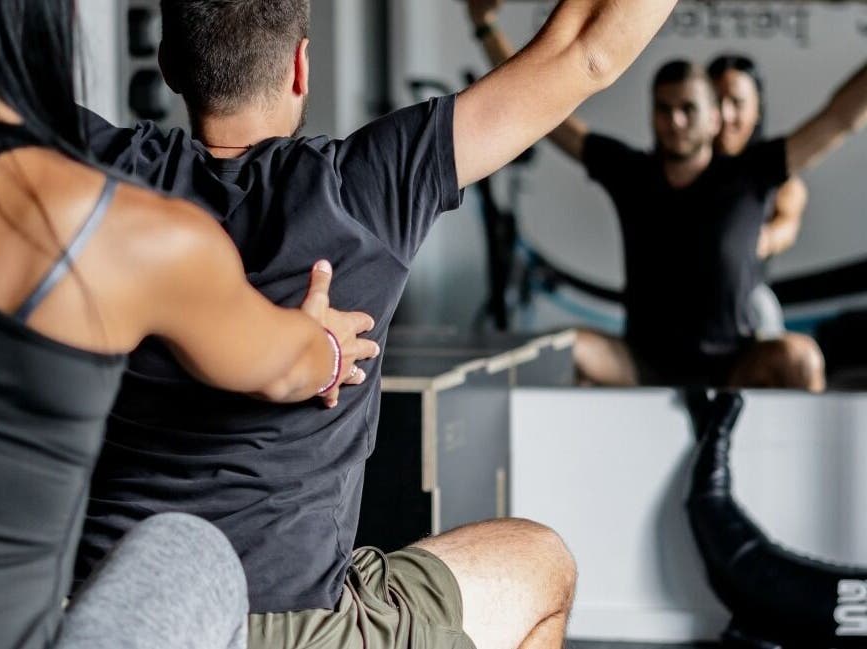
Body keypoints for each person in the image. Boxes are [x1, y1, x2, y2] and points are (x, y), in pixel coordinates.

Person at [74, 0, 682, 648]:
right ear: (302, 67)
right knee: (541, 565)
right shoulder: (363, 188)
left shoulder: (98, 178)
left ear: (169, 65)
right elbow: (588, 51)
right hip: (296, 624)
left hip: (118, 599)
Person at [0, 1, 381, 648]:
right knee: (188, 547)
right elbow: (284, 363)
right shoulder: (124, 230)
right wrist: (326, 346)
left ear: (169, 65)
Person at [467, 0, 867, 392]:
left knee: (800, 358)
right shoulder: (631, 172)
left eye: (688, 109)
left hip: (733, 363)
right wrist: (486, 29)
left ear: (713, 119)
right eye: (664, 108)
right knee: (561, 350)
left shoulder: (750, 174)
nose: (675, 120)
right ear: (652, 114)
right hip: (643, 363)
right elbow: (543, 110)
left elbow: (839, 119)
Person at [708, 54, 808, 338]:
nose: (725, 115)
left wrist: (752, 239)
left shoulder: (775, 174)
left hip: (746, 302)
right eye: (716, 102)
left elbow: (786, 225)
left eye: (737, 103)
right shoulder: (682, 168)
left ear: (757, 110)